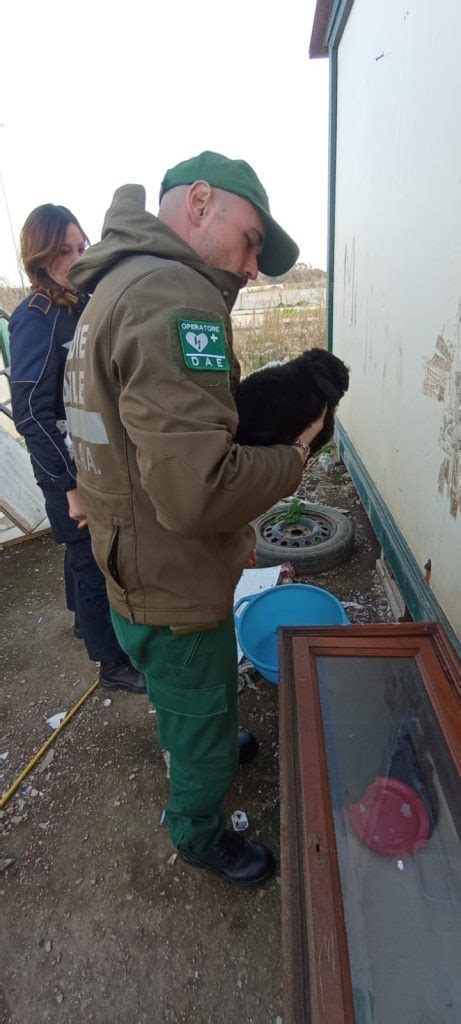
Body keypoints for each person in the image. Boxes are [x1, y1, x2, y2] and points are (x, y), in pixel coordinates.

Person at [64, 152, 326, 886]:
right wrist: (295, 457)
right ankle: (200, 834)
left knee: (187, 702)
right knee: (202, 723)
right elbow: (197, 493)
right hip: (174, 584)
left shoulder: (114, 283)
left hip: (128, 560)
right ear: (201, 203)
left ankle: (196, 730)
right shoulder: (172, 295)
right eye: (250, 242)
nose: (252, 268)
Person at [8, 204, 146, 694]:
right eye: (63, 251)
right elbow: (30, 413)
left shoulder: (80, 304)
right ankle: (112, 663)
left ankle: (81, 620)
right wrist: (68, 488)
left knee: (77, 552)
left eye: (81, 247)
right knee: (92, 560)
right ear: (40, 259)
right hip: (69, 468)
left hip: (91, 460)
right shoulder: (36, 319)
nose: (76, 257)